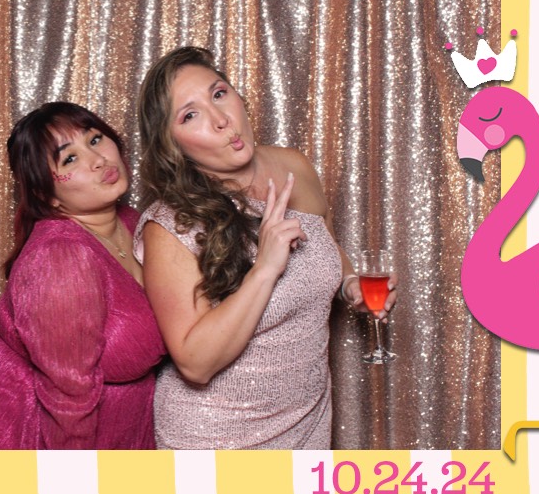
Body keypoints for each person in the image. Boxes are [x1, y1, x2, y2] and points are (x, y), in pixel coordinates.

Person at [132, 47, 382, 448]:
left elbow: (326, 247)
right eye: (190, 115)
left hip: (307, 423)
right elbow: (195, 363)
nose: (220, 119)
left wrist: (351, 286)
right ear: (172, 146)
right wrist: (264, 269)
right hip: (217, 438)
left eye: (219, 94)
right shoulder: (170, 225)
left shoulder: (293, 166)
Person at [0, 103, 165, 448]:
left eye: (95, 139)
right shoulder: (59, 258)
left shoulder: (134, 222)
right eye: (69, 159)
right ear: (46, 195)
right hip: (29, 439)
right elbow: (68, 397)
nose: (98, 160)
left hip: (122, 430)